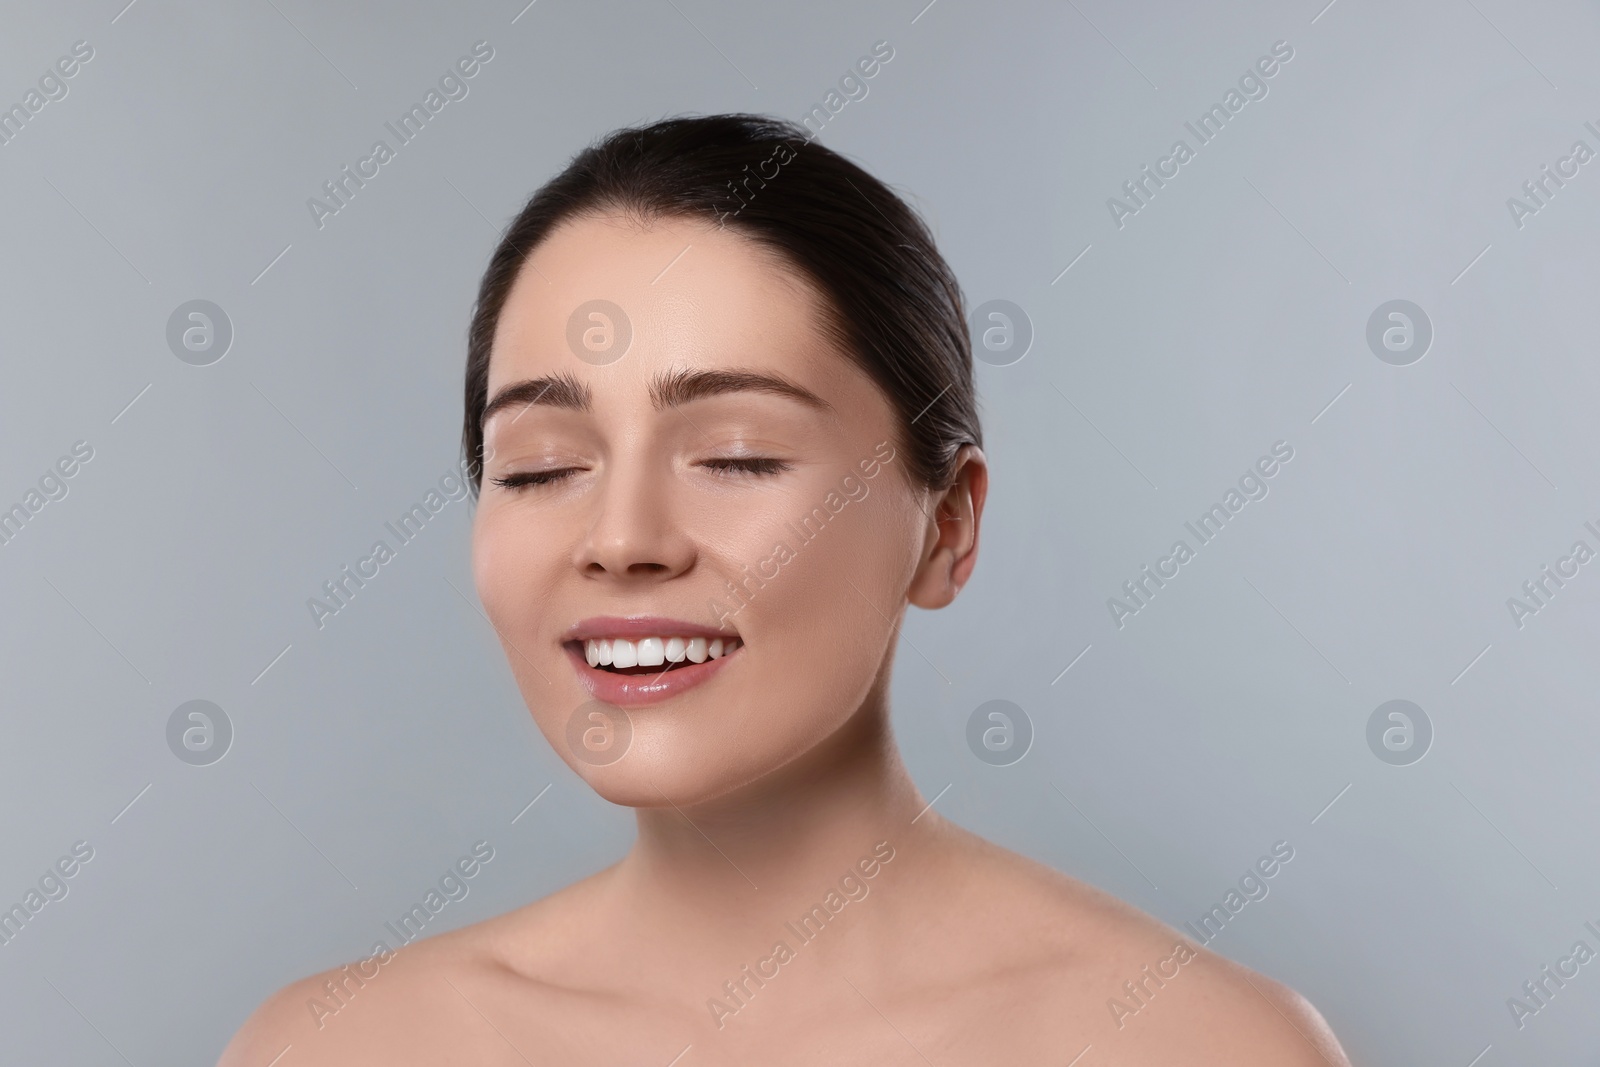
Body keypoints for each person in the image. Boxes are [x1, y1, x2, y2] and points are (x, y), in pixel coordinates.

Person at [220, 114, 1350, 1065]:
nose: (621, 539)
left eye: (738, 454)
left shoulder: (1196, 1042)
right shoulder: (336, 1045)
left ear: (946, 524)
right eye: (541, 467)